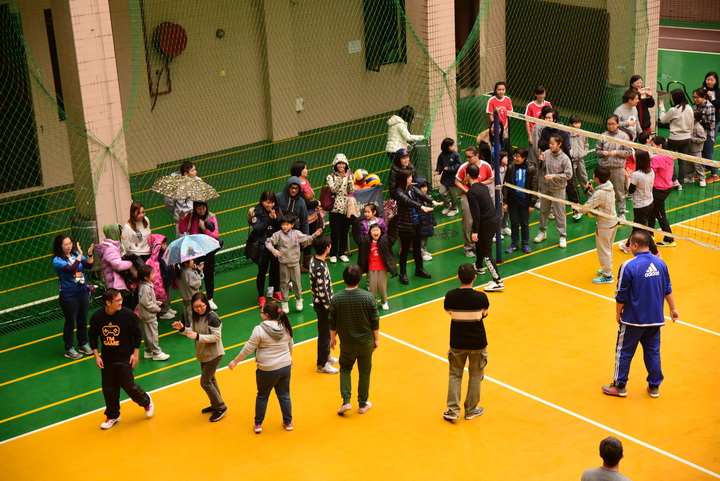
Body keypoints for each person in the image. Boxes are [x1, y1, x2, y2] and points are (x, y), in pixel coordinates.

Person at [601, 230, 679, 398]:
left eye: (629, 244)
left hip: (633, 320)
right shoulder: (661, 264)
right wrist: (673, 309)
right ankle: (654, 387)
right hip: (655, 319)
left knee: (624, 352)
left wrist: (618, 313)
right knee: (653, 352)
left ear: (635, 245)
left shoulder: (629, 266)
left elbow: (621, 295)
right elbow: (667, 288)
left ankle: (619, 386)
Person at [89, 289, 154, 430]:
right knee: (109, 388)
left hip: (125, 358)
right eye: (117, 300)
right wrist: (96, 356)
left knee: (129, 385)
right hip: (107, 359)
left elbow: (137, 334)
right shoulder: (97, 317)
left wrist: (135, 354)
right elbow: (92, 335)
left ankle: (146, 401)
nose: (120, 302)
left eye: (121, 299)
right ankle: (113, 415)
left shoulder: (128, 315)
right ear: (108, 303)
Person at [228, 301, 294, 433]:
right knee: (284, 395)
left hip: (267, 369)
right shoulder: (285, 326)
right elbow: (290, 344)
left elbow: (248, 348)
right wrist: (290, 358)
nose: (260, 313)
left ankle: (258, 424)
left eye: (261, 311)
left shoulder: (259, 329)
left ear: (267, 315)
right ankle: (288, 422)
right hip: (285, 367)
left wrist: (235, 361)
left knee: (263, 396)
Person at [442, 263, 490, 422]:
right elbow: (484, 313)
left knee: (455, 375)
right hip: (477, 343)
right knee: (476, 376)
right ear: (475, 277)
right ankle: (471, 411)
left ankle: (453, 410)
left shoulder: (450, 296)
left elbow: (449, 311)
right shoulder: (481, 297)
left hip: (457, 342)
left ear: (458, 278)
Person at [330, 264, 380, 415]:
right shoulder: (368, 297)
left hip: (347, 342)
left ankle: (346, 401)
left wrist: (332, 338)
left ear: (344, 278)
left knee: (345, 369)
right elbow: (375, 320)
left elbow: (332, 322)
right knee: (364, 372)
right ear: (360, 278)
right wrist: (376, 340)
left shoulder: (336, 299)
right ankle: (363, 404)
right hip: (366, 342)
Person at [172, 293, 227, 422]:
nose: (199, 309)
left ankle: (221, 407)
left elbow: (216, 337)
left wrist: (198, 337)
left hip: (214, 354)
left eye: (201, 306)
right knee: (211, 380)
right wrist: (182, 329)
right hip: (204, 354)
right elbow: (193, 331)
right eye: (196, 306)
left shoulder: (212, 317)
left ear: (206, 304)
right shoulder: (196, 317)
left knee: (205, 382)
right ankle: (216, 404)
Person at [264, 214, 322, 313]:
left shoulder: (297, 234)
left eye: (287, 224)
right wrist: (273, 250)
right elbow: (268, 242)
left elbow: (307, 239)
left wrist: (315, 234)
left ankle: (299, 299)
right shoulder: (278, 235)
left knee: (297, 282)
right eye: (283, 224)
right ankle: (285, 302)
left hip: (295, 263)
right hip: (283, 263)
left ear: (292, 225)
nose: (285, 226)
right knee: (284, 282)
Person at [572, 166, 618, 284]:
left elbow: (586, 207)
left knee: (603, 250)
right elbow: (601, 198)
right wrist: (592, 190)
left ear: (597, 178)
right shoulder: (609, 185)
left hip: (604, 225)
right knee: (608, 248)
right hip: (613, 222)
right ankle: (607, 268)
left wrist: (577, 208)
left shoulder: (600, 193)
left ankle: (607, 275)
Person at [393, 169, 439, 284]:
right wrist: (421, 207)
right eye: (409, 177)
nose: (411, 178)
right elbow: (409, 202)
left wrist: (432, 201)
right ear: (404, 179)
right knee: (404, 251)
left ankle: (419, 269)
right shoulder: (399, 192)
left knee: (417, 249)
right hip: (405, 226)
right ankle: (403, 273)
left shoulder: (411, 188)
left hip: (416, 223)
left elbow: (421, 194)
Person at [52, 234, 94, 360]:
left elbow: (89, 266)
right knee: (70, 322)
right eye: (65, 244)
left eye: (70, 243)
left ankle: (83, 343)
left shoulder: (75, 254)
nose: (69, 246)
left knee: (82, 320)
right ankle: (69, 348)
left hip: (82, 292)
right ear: (60, 246)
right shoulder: (57, 260)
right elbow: (71, 269)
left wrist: (90, 255)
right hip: (69, 296)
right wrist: (80, 255)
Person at [466, 164, 504, 292]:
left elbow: (476, 214)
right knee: (479, 244)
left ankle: (498, 281)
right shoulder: (483, 186)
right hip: (493, 219)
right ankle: (479, 266)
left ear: (467, 175)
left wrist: (475, 231)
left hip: (486, 223)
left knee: (487, 252)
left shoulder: (471, 193)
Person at [178, 201, 219, 310]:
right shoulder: (191, 216)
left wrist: (204, 228)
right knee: (194, 274)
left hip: (207, 249)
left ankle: (210, 299)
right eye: (199, 208)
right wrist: (182, 220)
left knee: (209, 274)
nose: (201, 210)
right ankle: (197, 298)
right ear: (195, 208)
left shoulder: (211, 217)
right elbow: (182, 230)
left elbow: (215, 235)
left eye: (203, 207)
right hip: (194, 250)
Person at [533, 135, 573, 248]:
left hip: (558, 190)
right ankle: (542, 231)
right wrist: (541, 161)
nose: (550, 145)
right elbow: (541, 168)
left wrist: (554, 176)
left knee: (559, 213)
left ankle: (562, 235)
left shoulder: (564, 158)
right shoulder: (546, 154)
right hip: (546, 188)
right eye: (549, 143)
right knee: (543, 211)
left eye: (552, 144)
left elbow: (569, 175)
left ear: (559, 144)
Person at [618, 151, 659, 256]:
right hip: (650, 203)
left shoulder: (636, 175)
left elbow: (630, 190)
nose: (634, 158)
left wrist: (628, 178)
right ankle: (628, 245)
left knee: (643, 230)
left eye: (635, 157)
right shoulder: (651, 171)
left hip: (640, 206)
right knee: (636, 227)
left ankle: (655, 252)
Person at [455, 146, 494, 257]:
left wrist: (478, 186)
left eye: (470, 157)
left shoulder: (486, 166)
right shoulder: (463, 167)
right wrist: (468, 191)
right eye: (466, 157)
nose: (467, 159)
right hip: (467, 197)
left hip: (480, 196)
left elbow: (490, 179)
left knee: (480, 220)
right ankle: (468, 247)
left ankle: (477, 244)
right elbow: (457, 182)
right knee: (468, 222)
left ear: (477, 155)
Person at [309, 235, 339, 374]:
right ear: (327, 248)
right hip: (324, 307)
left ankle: (326, 355)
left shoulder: (315, 260)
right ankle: (322, 364)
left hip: (322, 305)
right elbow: (323, 292)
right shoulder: (319, 267)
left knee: (325, 333)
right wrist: (330, 308)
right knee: (325, 335)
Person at [248, 190, 283, 306]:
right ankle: (261, 296)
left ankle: (276, 291)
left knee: (276, 269)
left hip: (275, 246)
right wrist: (269, 219)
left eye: (272, 202)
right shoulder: (256, 212)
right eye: (267, 202)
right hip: (262, 247)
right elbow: (257, 229)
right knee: (262, 271)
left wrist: (276, 219)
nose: (270, 205)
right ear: (262, 201)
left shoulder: (277, 210)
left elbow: (281, 227)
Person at [353, 220, 397, 311]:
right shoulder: (365, 241)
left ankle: (384, 301)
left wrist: (394, 221)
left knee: (382, 287)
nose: (375, 232)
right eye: (373, 230)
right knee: (372, 288)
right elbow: (357, 236)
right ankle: (372, 302)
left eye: (377, 230)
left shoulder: (385, 240)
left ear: (381, 232)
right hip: (371, 269)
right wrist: (354, 221)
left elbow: (393, 234)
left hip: (382, 268)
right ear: (370, 233)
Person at [596, 115, 632, 219]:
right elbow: (597, 151)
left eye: (613, 124)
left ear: (618, 124)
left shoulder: (624, 136)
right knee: (603, 191)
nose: (610, 126)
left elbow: (629, 151)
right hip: (604, 169)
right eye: (608, 124)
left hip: (618, 168)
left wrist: (617, 152)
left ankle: (621, 212)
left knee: (619, 191)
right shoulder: (603, 136)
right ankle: (605, 212)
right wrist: (602, 153)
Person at [502, 148, 537, 254]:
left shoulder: (531, 169)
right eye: (514, 156)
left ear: (524, 158)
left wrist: (532, 203)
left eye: (518, 156)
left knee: (524, 223)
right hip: (513, 201)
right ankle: (514, 244)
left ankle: (525, 244)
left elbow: (534, 186)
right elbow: (506, 185)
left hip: (525, 201)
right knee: (514, 223)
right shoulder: (511, 168)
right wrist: (505, 201)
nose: (515, 158)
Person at [95, 223, 137, 310]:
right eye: (119, 232)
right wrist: (131, 263)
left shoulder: (114, 246)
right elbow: (118, 265)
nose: (121, 234)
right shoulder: (111, 249)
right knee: (127, 307)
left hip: (119, 283)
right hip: (117, 284)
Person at [659, 89, 693, 189]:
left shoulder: (673, 110)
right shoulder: (689, 108)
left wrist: (662, 108)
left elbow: (663, 120)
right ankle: (681, 181)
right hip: (687, 138)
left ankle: (674, 180)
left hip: (674, 139)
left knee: (669, 159)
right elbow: (691, 124)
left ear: (675, 98)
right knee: (683, 161)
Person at [291, 160, 320, 272]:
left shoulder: (305, 181)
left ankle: (307, 264)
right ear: (299, 171)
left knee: (310, 239)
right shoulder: (296, 185)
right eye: (305, 169)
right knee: (302, 240)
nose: (307, 170)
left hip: (312, 216)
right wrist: (317, 203)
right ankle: (296, 264)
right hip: (303, 218)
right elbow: (305, 204)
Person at [136, 265, 170, 361]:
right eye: (152, 273)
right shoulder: (146, 288)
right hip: (148, 315)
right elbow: (146, 302)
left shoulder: (146, 286)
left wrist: (155, 302)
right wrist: (157, 308)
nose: (154, 275)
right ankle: (156, 352)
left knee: (148, 334)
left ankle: (148, 351)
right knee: (152, 335)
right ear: (146, 277)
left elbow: (148, 300)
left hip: (146, 315)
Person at [648, 136, 676, 248]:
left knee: (659, 214)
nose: (651, 148)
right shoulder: (668, 155)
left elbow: (650, 172)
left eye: (652, 145)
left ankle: (669, 239)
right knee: (651, 210)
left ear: (659, 146)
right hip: (666, 187)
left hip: (659, 189)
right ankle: (650, 233)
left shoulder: (658, 158)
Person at [326, 153, 355, 263]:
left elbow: (351, 190)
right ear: (335, 165)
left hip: (346, 208)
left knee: (344, 231)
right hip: (335, 209)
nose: (341, 166)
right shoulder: (330, 177)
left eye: (343, 163)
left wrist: (349, 178)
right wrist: (341, 178)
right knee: (335, 233)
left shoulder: (349, 175)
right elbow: (333, 189)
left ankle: (342, 253)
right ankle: (333, 254)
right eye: (339, 163)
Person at [691, 88, 715, 185]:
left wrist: (699, 125)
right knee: (699, 155)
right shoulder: (695, 105)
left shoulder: (709, 106)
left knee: (707, 155)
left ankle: (714, 174)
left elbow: (712, 123)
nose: (695, 99)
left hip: (708, 134)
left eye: (697, 97)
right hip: (697, 133)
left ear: (703, 97)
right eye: (694, 97)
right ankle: (700, 173)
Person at [435, 137, 462, 216]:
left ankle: (454, 209)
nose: (454, 147)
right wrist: (438, 171)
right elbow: (439, 164)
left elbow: (459, 165)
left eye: (453, 145)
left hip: (453, 179)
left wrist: (450, 168)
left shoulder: (456, 155)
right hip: (445, 178)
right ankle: (447, 205)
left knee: (454, 196)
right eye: (451, 146)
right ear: (447, 147)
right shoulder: (442, 155)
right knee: (441, 192)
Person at [701, 72, 720, 182]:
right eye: (708, 79)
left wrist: (712, 98)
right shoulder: (701, 91)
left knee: (708, 149)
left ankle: (714, 174)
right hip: (701, 123)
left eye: (712, 80)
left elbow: (718, 105)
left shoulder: (718, 92)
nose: (709, 81)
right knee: (700, 149)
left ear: (716, 81)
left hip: (713, 124)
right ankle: (701, 170)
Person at [569, 115, 591, 203]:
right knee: (571, 181)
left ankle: (590, 197)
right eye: (575, 123)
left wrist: (584, 153)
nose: (578, 125)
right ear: (570, 125)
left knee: (584, 178)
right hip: (570, 161)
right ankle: (575, 200)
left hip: (580, 160)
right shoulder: (567, 134)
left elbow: (586, 145)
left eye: (579, 123)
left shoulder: (583, 133)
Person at [486, 81, 512, 151]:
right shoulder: (491, 100)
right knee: (495, 144)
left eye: (503, 90)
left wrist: (505, 126)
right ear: (495, 90)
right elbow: (490, 115)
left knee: (505, 143)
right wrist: (497, 126)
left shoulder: (508, 100)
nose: (501, 92)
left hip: (505, 127)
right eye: (499, 90)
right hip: (494, 127)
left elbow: (508, 115)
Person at [416, 177, 436, 261]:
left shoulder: (427, 197)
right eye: (422, 187)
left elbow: (431, 211)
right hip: (421, 222)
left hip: (427, 221)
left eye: (426, 187)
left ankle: (424, 250)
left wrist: (432, 221)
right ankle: (422, 253)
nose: (424, 189)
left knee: (425, 237)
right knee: (421, 238)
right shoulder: (417, 199)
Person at [179, 258, 203, 326]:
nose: (193, 261)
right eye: (191, 260)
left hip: (185, 295)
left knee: (186, 309)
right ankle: (192, 325)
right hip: (191, 296)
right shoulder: (189, 273)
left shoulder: (182, 271)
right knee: (191, 312)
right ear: (186, 264)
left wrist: (195, 269)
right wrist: (199, 276)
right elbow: (196, 284)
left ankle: (187, 324)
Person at [687, 110, 707, 187]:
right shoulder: (690, 125)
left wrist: (692, 139)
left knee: (698, 165)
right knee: (689, 165)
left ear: (695, 118)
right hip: (689, 149)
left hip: (696, 150)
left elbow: (703, 138)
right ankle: (690, 177)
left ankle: (702, 178)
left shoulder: (699, 128)